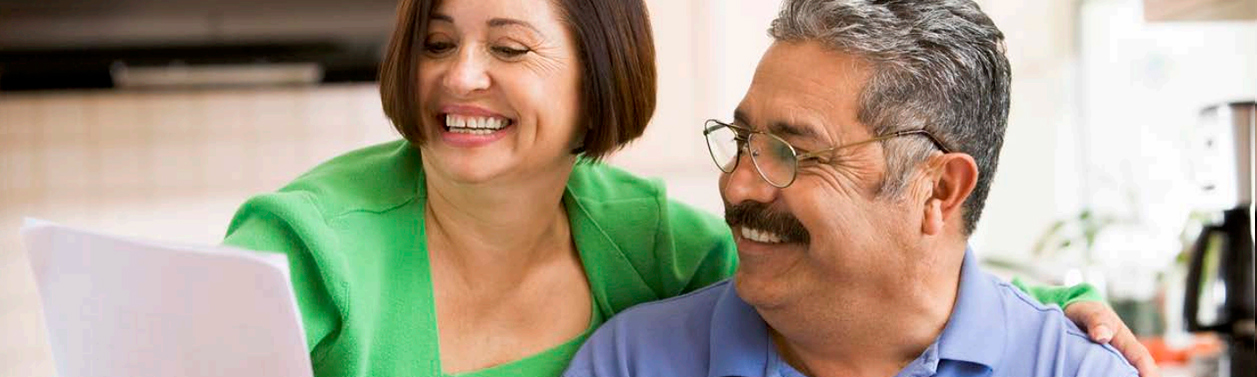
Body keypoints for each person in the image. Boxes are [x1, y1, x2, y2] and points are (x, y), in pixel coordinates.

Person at [221, 0, 1156, 376]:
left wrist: (1060, 320)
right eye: (435, 42)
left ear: (596, 75)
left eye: (508, 48)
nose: (458, 78)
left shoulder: (655, 245)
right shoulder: (307, 246)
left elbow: (893, 287)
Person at [562, 1, 1152, 376]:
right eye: (744, 138)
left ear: (939, 190)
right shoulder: (631, 361)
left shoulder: (1072, 370)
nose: (739, 182)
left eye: (796, 152)